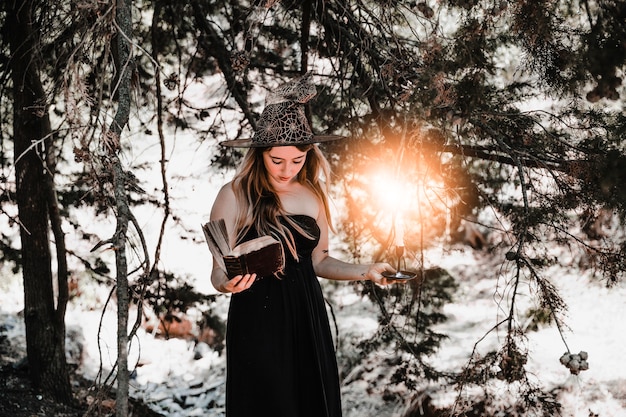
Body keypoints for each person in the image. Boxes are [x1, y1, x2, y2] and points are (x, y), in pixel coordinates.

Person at [209, 73, 395, 417]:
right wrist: (226, 283)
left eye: (296, 160)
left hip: (307, 314)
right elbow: (218, 270)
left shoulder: (313, 195)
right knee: (270, 403)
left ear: (308, 155)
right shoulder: (233, 195)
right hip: (257, 317)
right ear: (260, 153)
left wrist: (366, 271)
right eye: (277, 160)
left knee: (311, 402)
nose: (286, 169)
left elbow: (320, 260)